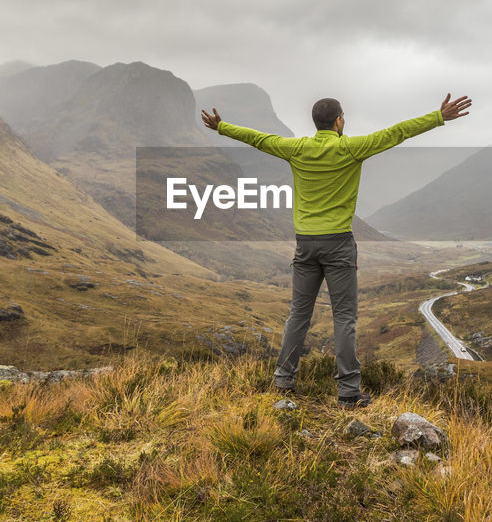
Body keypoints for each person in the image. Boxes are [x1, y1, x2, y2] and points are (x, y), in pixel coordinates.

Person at [201, 93, 472, 408]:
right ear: (339, 121)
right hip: (339, 245)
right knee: (344, 317)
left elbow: (259, 139)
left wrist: (222, 127)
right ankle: (348, 393)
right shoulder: (351, 148)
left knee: (298, 314)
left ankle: (284, 382)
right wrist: (438, 117)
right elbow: (397, 132)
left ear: (317, 123)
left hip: (305, 244)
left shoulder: (296, 149)